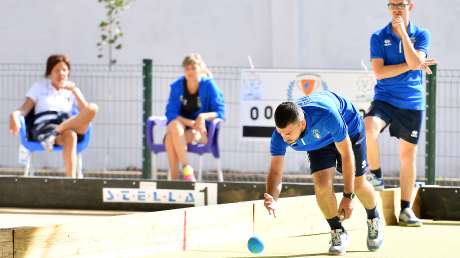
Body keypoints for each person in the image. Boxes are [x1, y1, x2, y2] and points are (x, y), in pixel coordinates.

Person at [264, 91, 383, 255]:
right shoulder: (280, 136)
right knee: (321, 186)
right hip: (318, 142)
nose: (284, 138)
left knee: (358, 184)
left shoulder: (326, 115)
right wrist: (273, 198)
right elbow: (276, 171)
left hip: (349, 129)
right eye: (281, 132)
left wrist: (348, 197)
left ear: (302, 124)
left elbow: (347, 154)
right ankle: (337, 231)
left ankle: (373, 217)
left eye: (288, 133)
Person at [365, 0, 436, 226]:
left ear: (410, 7)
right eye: (392, 4)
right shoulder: (378, 36)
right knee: (368, 127)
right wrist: (413, 64)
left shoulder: (422, 34)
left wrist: (404, 34)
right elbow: (379, 72)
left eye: (401, 4)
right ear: (388, 7)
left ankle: (406, 209)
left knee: (408, 157)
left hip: (412, 103)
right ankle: (375, 176)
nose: (396, 8)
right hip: (385, 99)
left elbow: (416, 60)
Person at [9, 54, 98, 177]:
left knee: (93, 108)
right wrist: (14, 115)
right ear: (49, 72)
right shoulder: (39, 88)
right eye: (57, 70)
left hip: (67, 125)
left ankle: (57, 131)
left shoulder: (72, 91)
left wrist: (75, 91)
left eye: (64, 70)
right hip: (45, 127)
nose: (61, 73)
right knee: (71, 135)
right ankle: (71, 180)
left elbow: (86, 113)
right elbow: (24, 109)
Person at [164, 54, 225, 181]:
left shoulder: (209, 85)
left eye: (193, 67)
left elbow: (220, 112)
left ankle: (173, 182)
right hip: (182, 127)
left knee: (170, 138)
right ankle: (187, 169)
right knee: (174, 126)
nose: (190, 71)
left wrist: (203, 116)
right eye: (187, 68)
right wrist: (192, 123)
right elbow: (171, 113)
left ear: (201, 69)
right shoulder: (177, 86)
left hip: (201, 131)